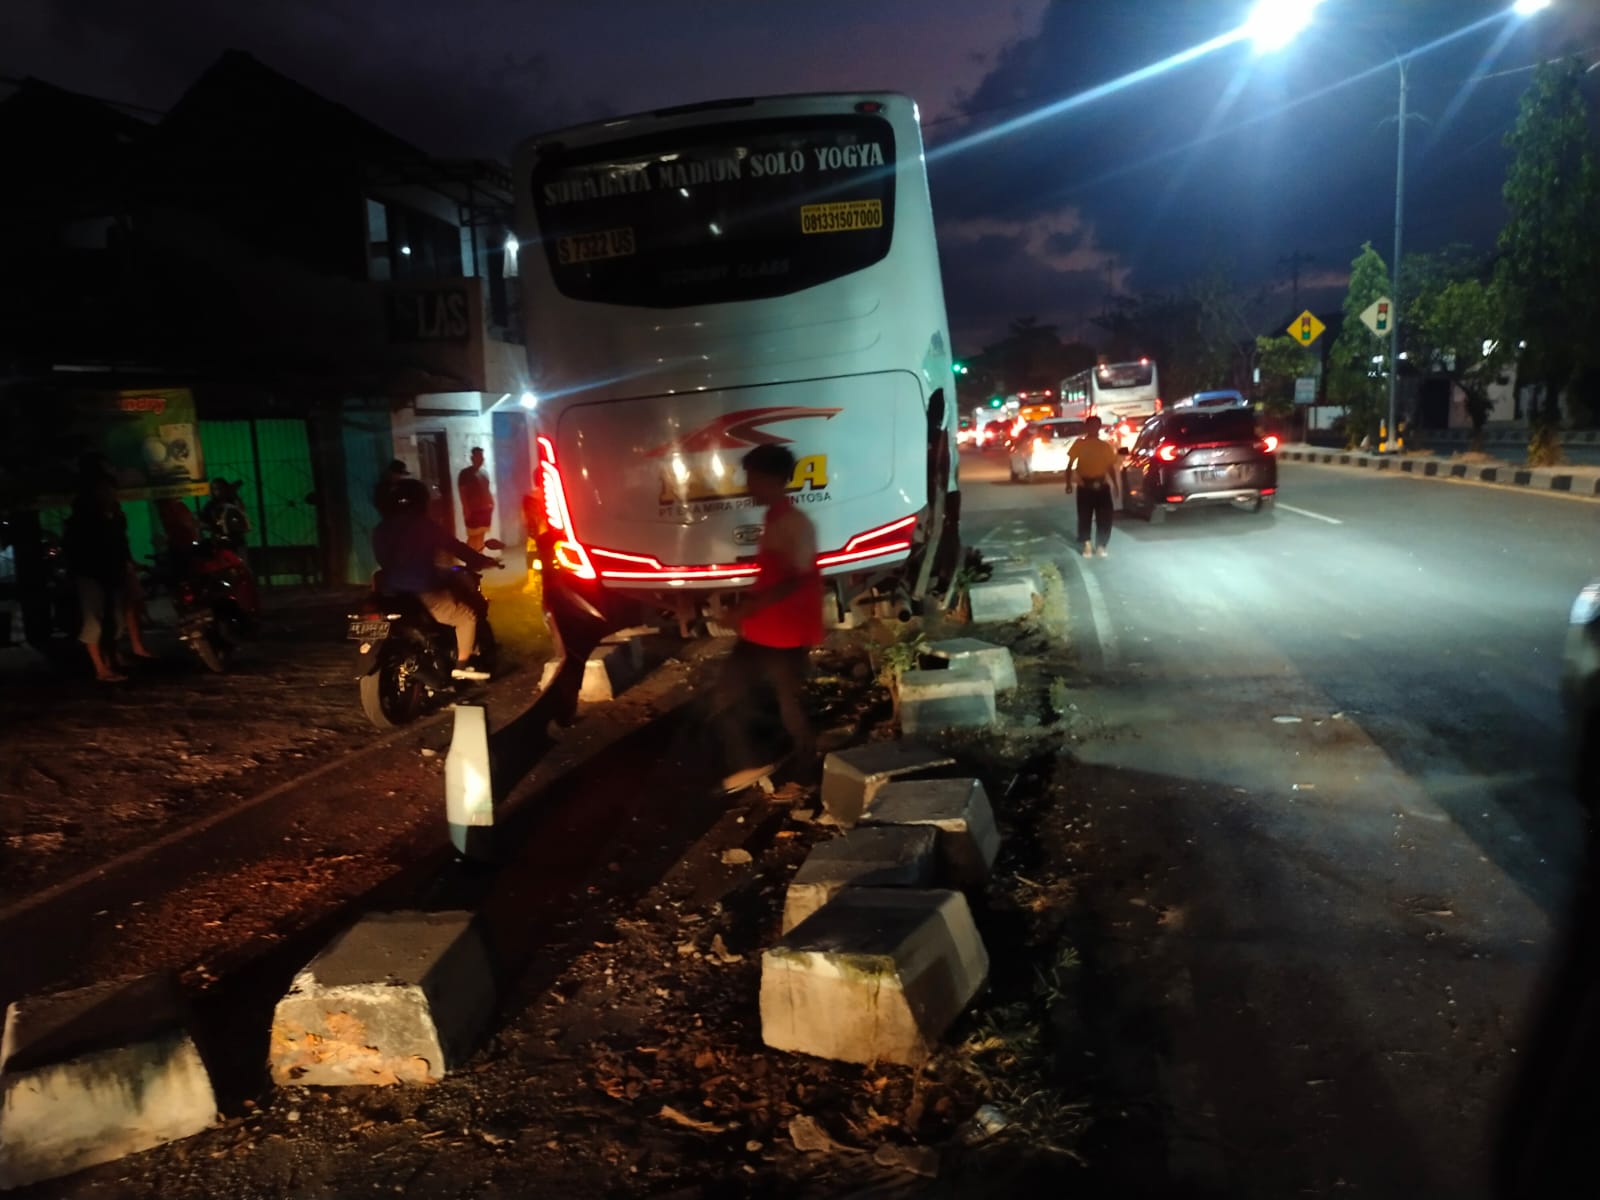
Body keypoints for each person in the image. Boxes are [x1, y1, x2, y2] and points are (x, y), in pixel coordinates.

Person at [714, 443, 823, 792]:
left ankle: (781, 766)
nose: (748, 485)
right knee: (781, 700)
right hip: (769, 630)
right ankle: (792, 766)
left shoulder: (793, 522)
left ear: (771, 479)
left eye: (753, 478)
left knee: (744, 698)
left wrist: (747, 609)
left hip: (781, 632)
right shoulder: (778, 518)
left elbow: (795, 578)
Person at [372, 477, 501, 681]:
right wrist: (484, 561)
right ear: (421, 502)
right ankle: (462, 665)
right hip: (422, 591)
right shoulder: (425, 526)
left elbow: (383, 559)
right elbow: (458, 548)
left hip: (391, 591)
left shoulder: (380, 529)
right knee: (465, 617)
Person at [63, 459, 153, 681]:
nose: (109, 493)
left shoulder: (113, 514)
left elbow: (120, 542)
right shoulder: (84, 516)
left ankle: (110, 661)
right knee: (94, 619)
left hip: (111, 570)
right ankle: (100, 668)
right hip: (91, 573)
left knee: (114, 618)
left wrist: (126, 563)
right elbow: (78, 547)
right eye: (104, 489)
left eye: (110, 489)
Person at [1065, 415, 1121, 559]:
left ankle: (1102, 545)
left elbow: (1110, 467)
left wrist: (1115, 485)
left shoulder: (1105, 446)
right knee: (1084, 516)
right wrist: (1068, 483)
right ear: (1087, 427)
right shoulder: (1079, 444)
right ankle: (1087, 544)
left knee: (1105, 517)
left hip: (1102, 486)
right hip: (1085, 486)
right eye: (1091, 425)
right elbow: (1070, 465)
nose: (1094, 428)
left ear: (1099, 427)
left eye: (1096, 425)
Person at [457, 447, 494, 552]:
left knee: (481, 535)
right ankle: (470, 559)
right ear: (472, 458)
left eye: (482, 456)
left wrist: (491, 503)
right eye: (478, 456)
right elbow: (462, 492)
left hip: (485, 509)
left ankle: (479, 558)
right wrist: (466, 508)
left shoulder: (484, 473)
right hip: (473, 510)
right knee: (473, 536)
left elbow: (487, 489)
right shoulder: (465, 474)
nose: (481, 459)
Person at [200, 478, 250, 546]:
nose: (219, 491)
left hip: (236, 539)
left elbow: (241, 511)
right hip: (219, 540)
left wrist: (234, 495)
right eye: (216, 489)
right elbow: (202, 522)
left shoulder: (232, 501)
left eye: (221, 488)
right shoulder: (210, 506)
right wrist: (214, 527)